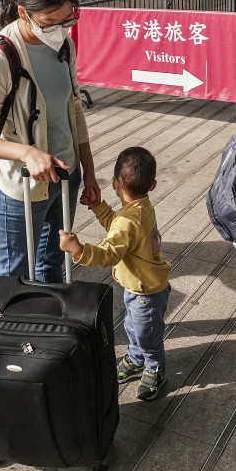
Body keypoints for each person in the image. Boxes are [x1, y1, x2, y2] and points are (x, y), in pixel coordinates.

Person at [0, 0, 100, 282]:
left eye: (67, 19)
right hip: (21, 184)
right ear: (24, 12)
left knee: (53, 264)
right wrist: (27, 152)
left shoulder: (64, 45)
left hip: (66, 174)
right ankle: (14, 328)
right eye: (49, 21)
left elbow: (74, 109)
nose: (59, 28)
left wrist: (89, 171)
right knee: (16, 274)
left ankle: (49, 326)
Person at [59, 146, 170, 401]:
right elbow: (119, 228)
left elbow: (109, 253)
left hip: (147, 292)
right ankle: (135, 358)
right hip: (141, 286)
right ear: (152, 185)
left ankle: (155, 367)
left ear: (114, 183)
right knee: (133, 326)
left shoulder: (128, 220)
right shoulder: (141, 207)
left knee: (147, 332)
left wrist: (78, 250)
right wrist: (98, 207)